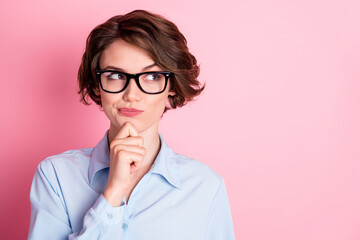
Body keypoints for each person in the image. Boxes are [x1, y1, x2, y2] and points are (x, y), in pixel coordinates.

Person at [28, 10, 235, 240]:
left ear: (172, 84)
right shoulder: (56, 176)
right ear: (97, 84)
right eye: (116, 75)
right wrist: (113, 192)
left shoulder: (205, 187)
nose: (132, 94)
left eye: (152, 77)